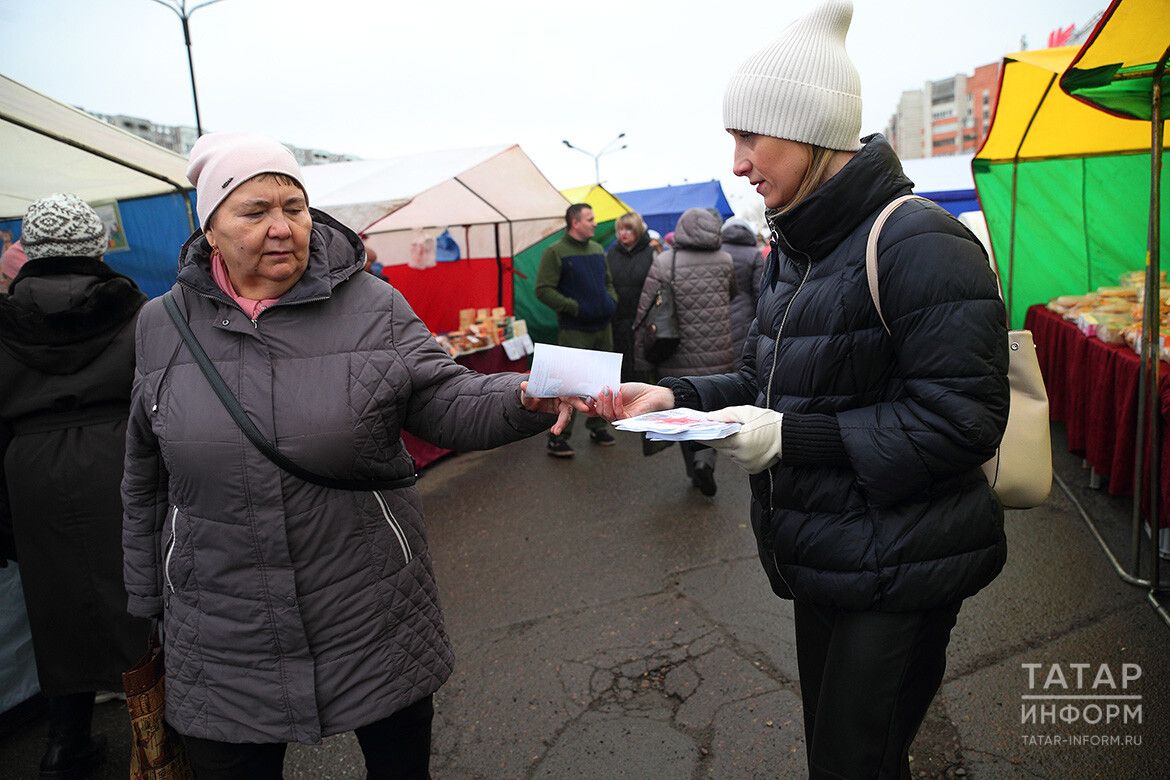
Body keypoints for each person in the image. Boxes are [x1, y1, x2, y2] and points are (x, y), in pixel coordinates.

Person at [584, 2, 1009, 777]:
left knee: (855, 764)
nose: (739, 164)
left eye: (750, 138)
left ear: (811, 130)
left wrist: (791, 438)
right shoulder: (795, 247)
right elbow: (760, 380)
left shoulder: (919, 243)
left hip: (904, 566)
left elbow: (963, 421)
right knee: (843, 760)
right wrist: (676, 396)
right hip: (824, 554)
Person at [120, 133, 576, 779]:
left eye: (295, 206)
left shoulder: (373, 305)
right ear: (210, 228)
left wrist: (523, 396)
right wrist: (145, 600)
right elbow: (145, 475)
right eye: (255, 211)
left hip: (371, 604)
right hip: (219, 623)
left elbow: (444, 398)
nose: (282, 227)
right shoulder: (161, 324)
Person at [0, 194, 152, 779]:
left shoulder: (4, 318)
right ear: (96, 245)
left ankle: (65, 748)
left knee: (55, 609)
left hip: (32, 473)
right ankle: (157, 743)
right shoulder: (136, 311)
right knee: (139, 601)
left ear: (30, 247)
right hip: (122, 461)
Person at [633, 208, 735, 496]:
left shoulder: (665, 262)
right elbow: (732, 294)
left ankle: (694, 467)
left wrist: (642, 358)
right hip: (720, 353)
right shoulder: (725, 260)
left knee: (683, 409)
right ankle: (706, 460)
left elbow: (645, 311)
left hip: (676, 353)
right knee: (711, 411)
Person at [534, 203, 618, 457]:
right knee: (572, 384)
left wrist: (610, 300)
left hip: (603, 328)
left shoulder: (596, 249)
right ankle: (558, 436)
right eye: (590, 219)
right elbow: (543, 289)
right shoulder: (555, 252)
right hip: (575, 330)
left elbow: (608, 283)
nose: (594, 223)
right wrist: (573, 307)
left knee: (603, 383)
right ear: (575, 223)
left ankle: (596, 426)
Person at [606, 211, 656, 382]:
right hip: (618, 320)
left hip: (644, 321)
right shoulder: (611, 254)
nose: (623, 233)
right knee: (621, 368)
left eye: (628, 229)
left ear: (638, 230)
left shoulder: (651, 253)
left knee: (644, 369)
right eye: (620, 229)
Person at [720, 216, 765, 349]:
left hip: (719, 312)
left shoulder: (716, 253)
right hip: (746, 315)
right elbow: (760, 291)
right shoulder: (754, 254)